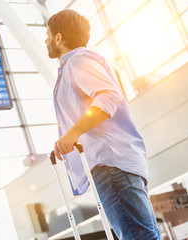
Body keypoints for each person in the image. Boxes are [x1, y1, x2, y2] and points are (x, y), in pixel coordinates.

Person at [45, 9, 162, 240]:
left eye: (48, 34)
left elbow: (108, 96)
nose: (46, 40)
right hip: (115, 165)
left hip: (111, 164)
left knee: (139, 237)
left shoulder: (77, 60)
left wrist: (72, 134)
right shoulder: (78, 63)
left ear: (59, 37)